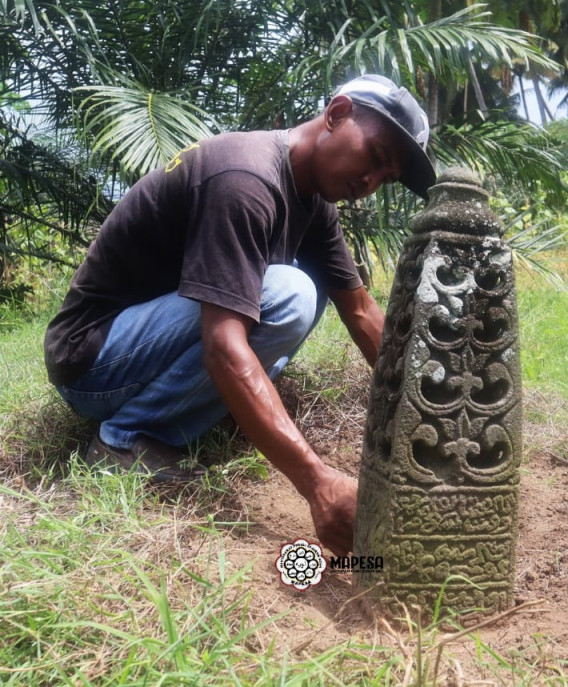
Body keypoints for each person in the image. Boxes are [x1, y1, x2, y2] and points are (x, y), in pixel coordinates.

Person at [43, 74, 435, 556]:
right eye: (375, 156)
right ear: (336, 114)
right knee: (288, 295)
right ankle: (125, 441)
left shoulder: (313, 201)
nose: (370, 182)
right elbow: (224, 349)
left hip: (141, 350)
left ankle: (174, 414)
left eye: (386, 178)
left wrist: (425, 408)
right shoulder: (245, 178)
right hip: (92, 359)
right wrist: (317, 483)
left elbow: (359, 310)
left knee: (300, 300)